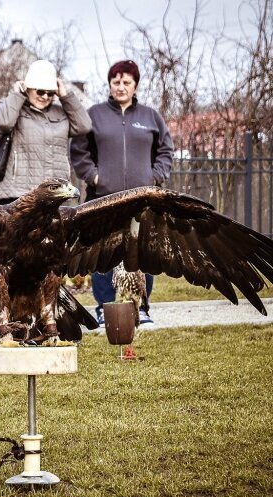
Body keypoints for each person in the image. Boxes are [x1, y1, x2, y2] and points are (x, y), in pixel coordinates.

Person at [70, 59, 173, 327]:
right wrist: (94, 176)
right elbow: (79, 151)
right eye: (116, 82)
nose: (121, 86)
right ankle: (105, 307)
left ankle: (141, 308)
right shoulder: (95, 115)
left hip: (141, 201)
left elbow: (165, 151)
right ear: (110, 84)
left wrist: (154, 177)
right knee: (103, 254)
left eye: (126, 82)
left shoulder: (151, 117)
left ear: (135, 85)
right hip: (103, 200)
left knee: (142, 253)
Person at [0, 59, 92, 204]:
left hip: (55, 196)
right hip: (18, 193)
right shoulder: (11, 106)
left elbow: (84, 126)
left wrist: (65, 96)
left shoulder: (61, 113)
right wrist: (17, 94)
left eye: (50, 93)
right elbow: (4, 122)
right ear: (29, 88)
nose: (45, 97)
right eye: (40, 91)